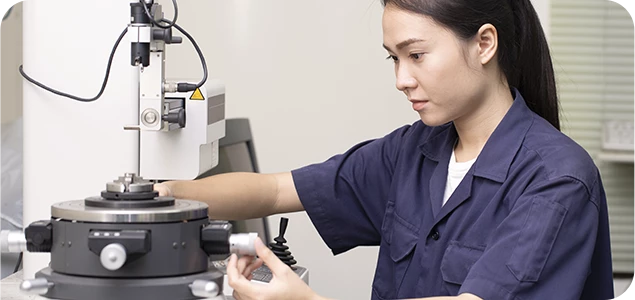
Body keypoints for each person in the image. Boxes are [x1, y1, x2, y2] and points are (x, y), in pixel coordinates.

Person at [155, 0, 615, 299]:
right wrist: (156, 197)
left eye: (416, 55)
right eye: (393, 58)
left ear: (484, 44)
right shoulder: (416, 151)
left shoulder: (557, 179)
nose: (401, 79)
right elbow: (274, 191)